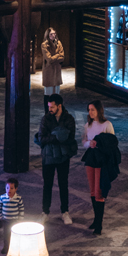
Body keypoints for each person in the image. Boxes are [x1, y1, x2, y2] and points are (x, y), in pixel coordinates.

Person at [35, 95, 76, 224]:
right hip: (48, 157)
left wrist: (52, 136)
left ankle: (65, 212)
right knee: (47, 185)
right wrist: (58, 135)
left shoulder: (68, 118)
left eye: (52, 107)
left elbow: (70, 137)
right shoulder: (46, 119)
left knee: (63, 184)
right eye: (49, 107)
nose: (50, 109)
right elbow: (41, 138)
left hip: (63, 157)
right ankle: (45, 212)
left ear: (59, 106)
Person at [81, 101, 115, 235]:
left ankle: (99, 224)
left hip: (102, 160)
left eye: (93, 110)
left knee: (99, 191)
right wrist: (90, 144)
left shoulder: (107, 125)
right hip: (91, 157)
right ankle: (96, 220)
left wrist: (99, 144)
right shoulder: (87, 126)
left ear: (99, 110)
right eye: (89, 110)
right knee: (92, 191)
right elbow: (83, 141)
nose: (90, 112)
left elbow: (112, 143)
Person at [0, 177, 25, 255]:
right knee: (6, 234)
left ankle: (15, 247)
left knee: (15, 234)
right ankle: (6, 247)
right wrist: (0, 216)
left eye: (12, 188)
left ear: (16, 189)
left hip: (15, 220)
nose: (9, 190)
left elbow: (21, 208)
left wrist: (20, 218)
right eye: (7, 188)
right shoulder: (2, 198)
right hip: (5, 220)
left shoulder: (18, 198)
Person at [40, 28, 65, 97]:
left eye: (54, 33)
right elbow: (49, 59)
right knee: (48, 92)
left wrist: (54, 58)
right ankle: (47, 107)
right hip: (49, 70)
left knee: (57, 92)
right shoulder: (44, 45)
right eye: (51, 34)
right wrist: (57, 55)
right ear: (47, 35)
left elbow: (62, 57)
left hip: (57, 69)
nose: (53, 35)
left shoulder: (59, 43)